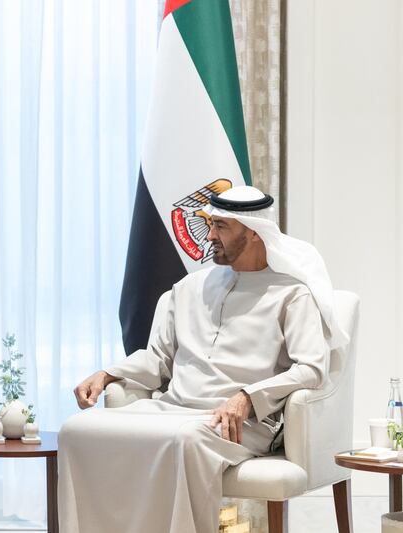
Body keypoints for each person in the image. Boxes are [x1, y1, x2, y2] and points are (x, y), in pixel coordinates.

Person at [58, 185, 348, 533]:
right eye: (211, 224)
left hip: (240, 425)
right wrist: (107, 374)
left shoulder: (292, 294)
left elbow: (311, 369)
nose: (209, 235)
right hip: (172, 409)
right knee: (77, 430)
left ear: (254, 233)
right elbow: (157, 360)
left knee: (188, 439)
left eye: (222, 227)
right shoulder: (188, 289)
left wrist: (247, 398)